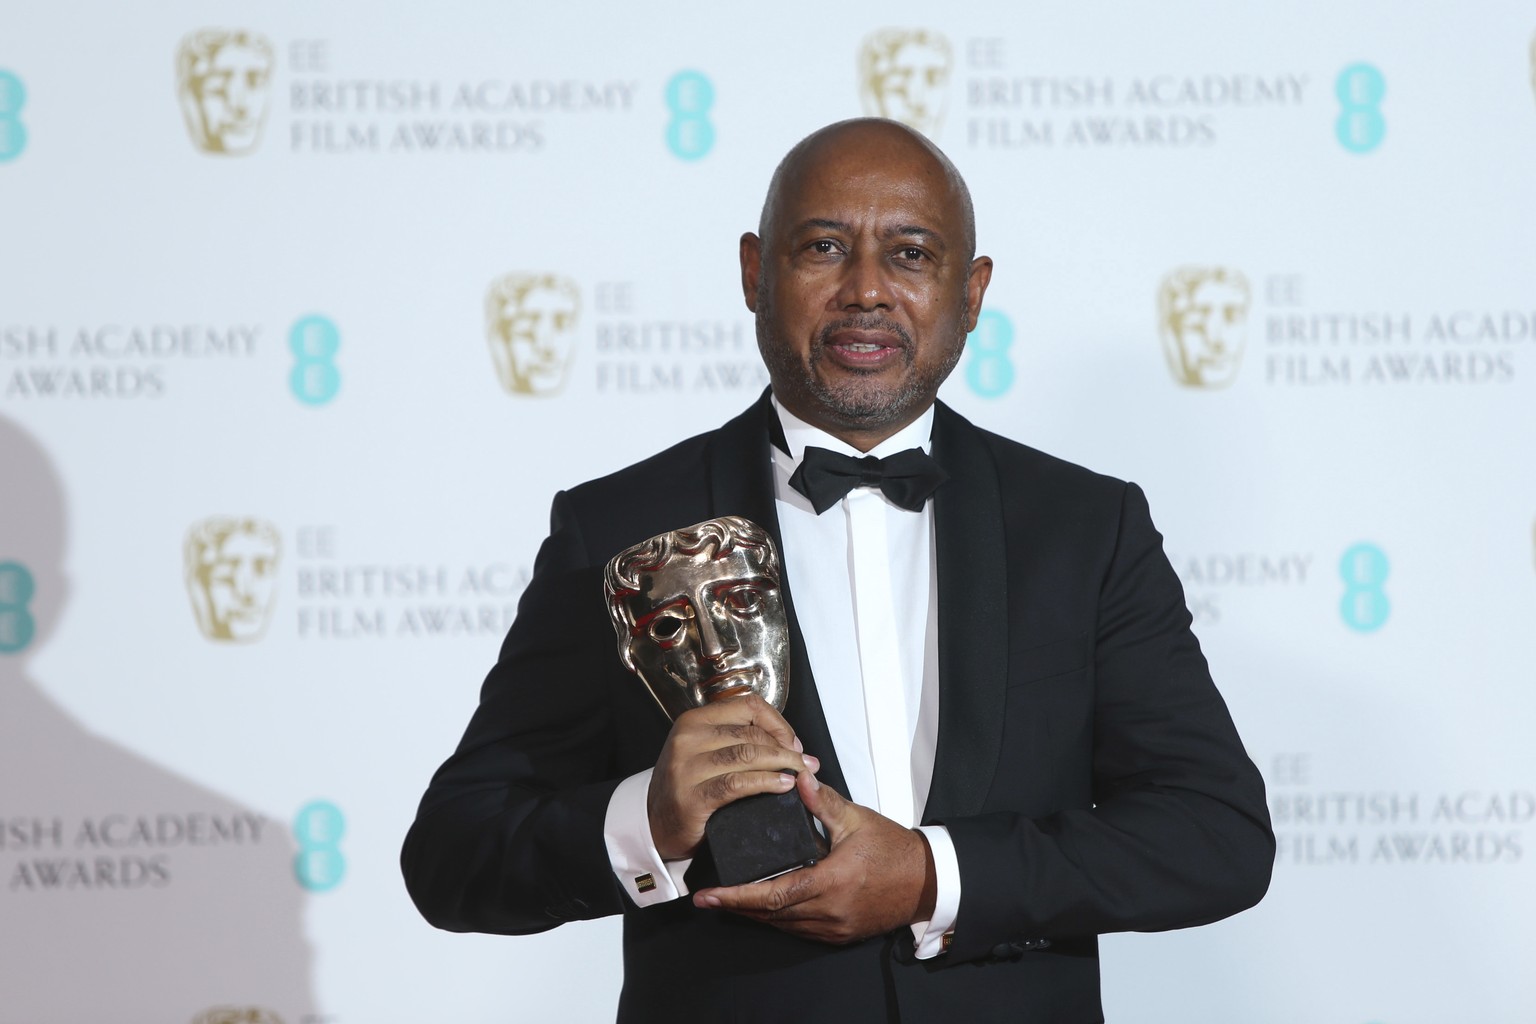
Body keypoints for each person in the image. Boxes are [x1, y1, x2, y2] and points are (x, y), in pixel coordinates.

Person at [402, 117, 1274, 1022]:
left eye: (911, 255)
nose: (866, 290)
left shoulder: (1087, 527)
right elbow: (454, 856)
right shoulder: (620, 526)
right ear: (754, 272)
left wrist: (936, 876)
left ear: (971, 293)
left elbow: (1215, 835)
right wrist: (647, 824)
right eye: (824, 247)